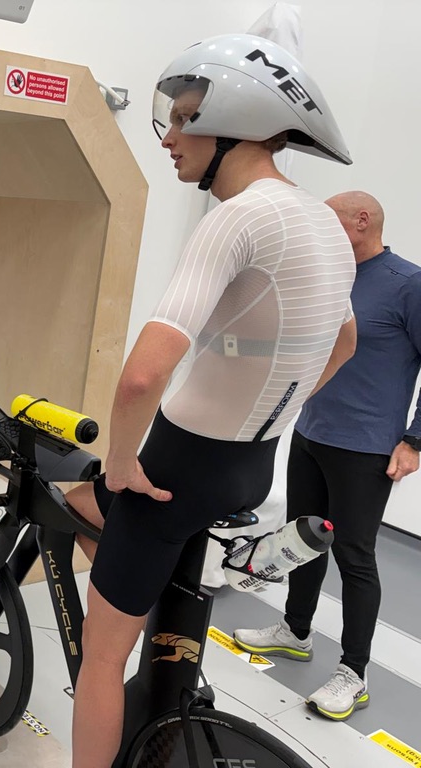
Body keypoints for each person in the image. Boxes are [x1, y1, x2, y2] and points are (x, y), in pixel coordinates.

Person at [62, 35, 357, 768]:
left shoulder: (237, 217)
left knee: (100, 655)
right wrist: (281, 408)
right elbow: (345, 342)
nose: (168, 136)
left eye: (184, 118)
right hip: (250, 469)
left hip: (174, 471)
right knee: (97, 513)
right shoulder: (323, 220)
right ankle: (158, 658)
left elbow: (141, 378)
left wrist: (122, 463)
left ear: (235, 124)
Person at [234, 191, 421, 721]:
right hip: (312, 432)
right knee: (301, 538)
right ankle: (295, 632)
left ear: (362, 221)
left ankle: (353, 674)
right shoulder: (333, 275)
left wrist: (415, 440)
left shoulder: (408, 284)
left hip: (366, 448)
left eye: (330, 219)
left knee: (354, 557)